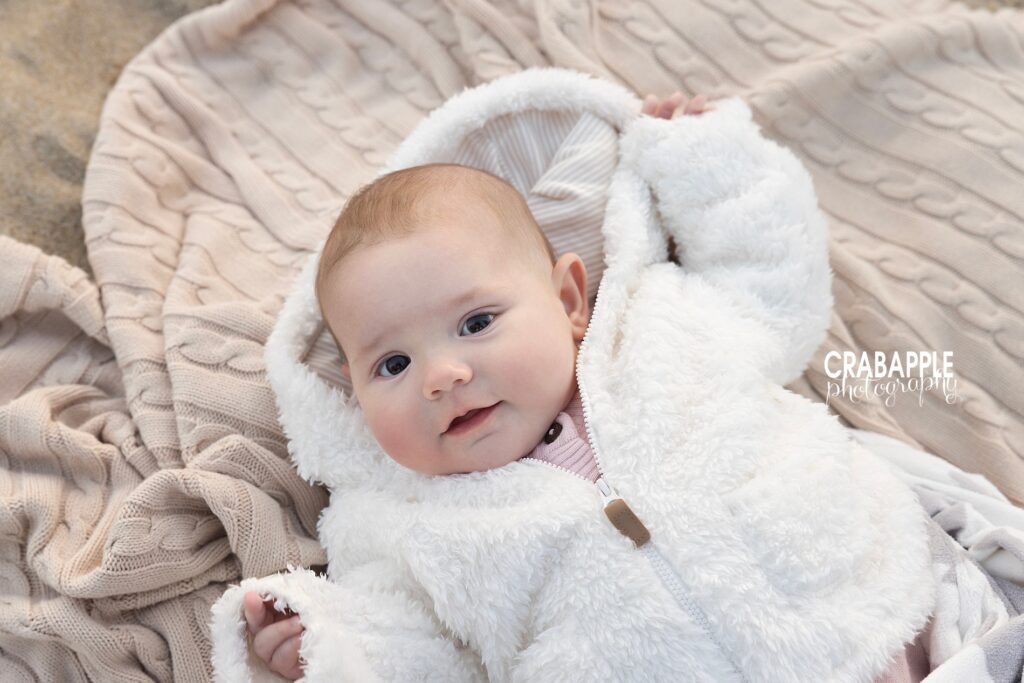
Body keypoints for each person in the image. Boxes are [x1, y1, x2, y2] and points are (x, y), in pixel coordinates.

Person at [219, 82, 934, 682]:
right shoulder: (403, 524)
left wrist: (707, 160)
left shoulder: (661, 330)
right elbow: (420, 651)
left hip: (876, 620)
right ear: (352, 389)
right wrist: (325, 638)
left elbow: (772, 279)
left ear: (568, 301)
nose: (443, 374)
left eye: (476, 322)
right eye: (393, 364)